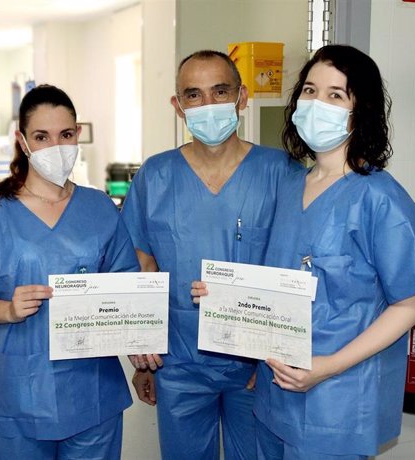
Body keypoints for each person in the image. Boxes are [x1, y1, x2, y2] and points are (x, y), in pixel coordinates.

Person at [194, 44, 415, 459]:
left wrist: (328, 366)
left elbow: (409, 304)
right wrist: (225, 300)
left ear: (362, 111)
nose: (317, 103)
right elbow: (276, 281)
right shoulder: (290, 187)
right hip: (275, 391)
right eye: (309, 90)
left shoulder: (380, 199)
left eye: (336, 95)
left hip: (337, 397)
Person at [121, 50, 303, 460]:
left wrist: (277, 356)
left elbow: (299, 268)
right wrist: (144, 357)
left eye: (220, 92)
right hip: (179, 363)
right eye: (194, 95)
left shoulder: (281, 173)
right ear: (178, 106)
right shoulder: (156, 175)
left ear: (241, 97)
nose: (208, 105)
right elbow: (142, 265)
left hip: (259, 362)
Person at [0, 84, 138, 459]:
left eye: (65, 135)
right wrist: (7, 310)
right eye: (41, 137)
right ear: (23, 141)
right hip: (18, 391)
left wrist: (141, 349)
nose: (55, 147)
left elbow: (126, 291)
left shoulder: (99, 208)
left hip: (92, 391)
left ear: (78, 134)